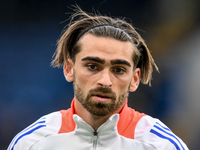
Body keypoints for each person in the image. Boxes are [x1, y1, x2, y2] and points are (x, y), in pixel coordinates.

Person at [8, 7, 188, 150]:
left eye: (118, 70)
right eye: (92, 66)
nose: (105, 81)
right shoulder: (31, 143)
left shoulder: (162, 145)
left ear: (134, 79)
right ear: (69, 69)